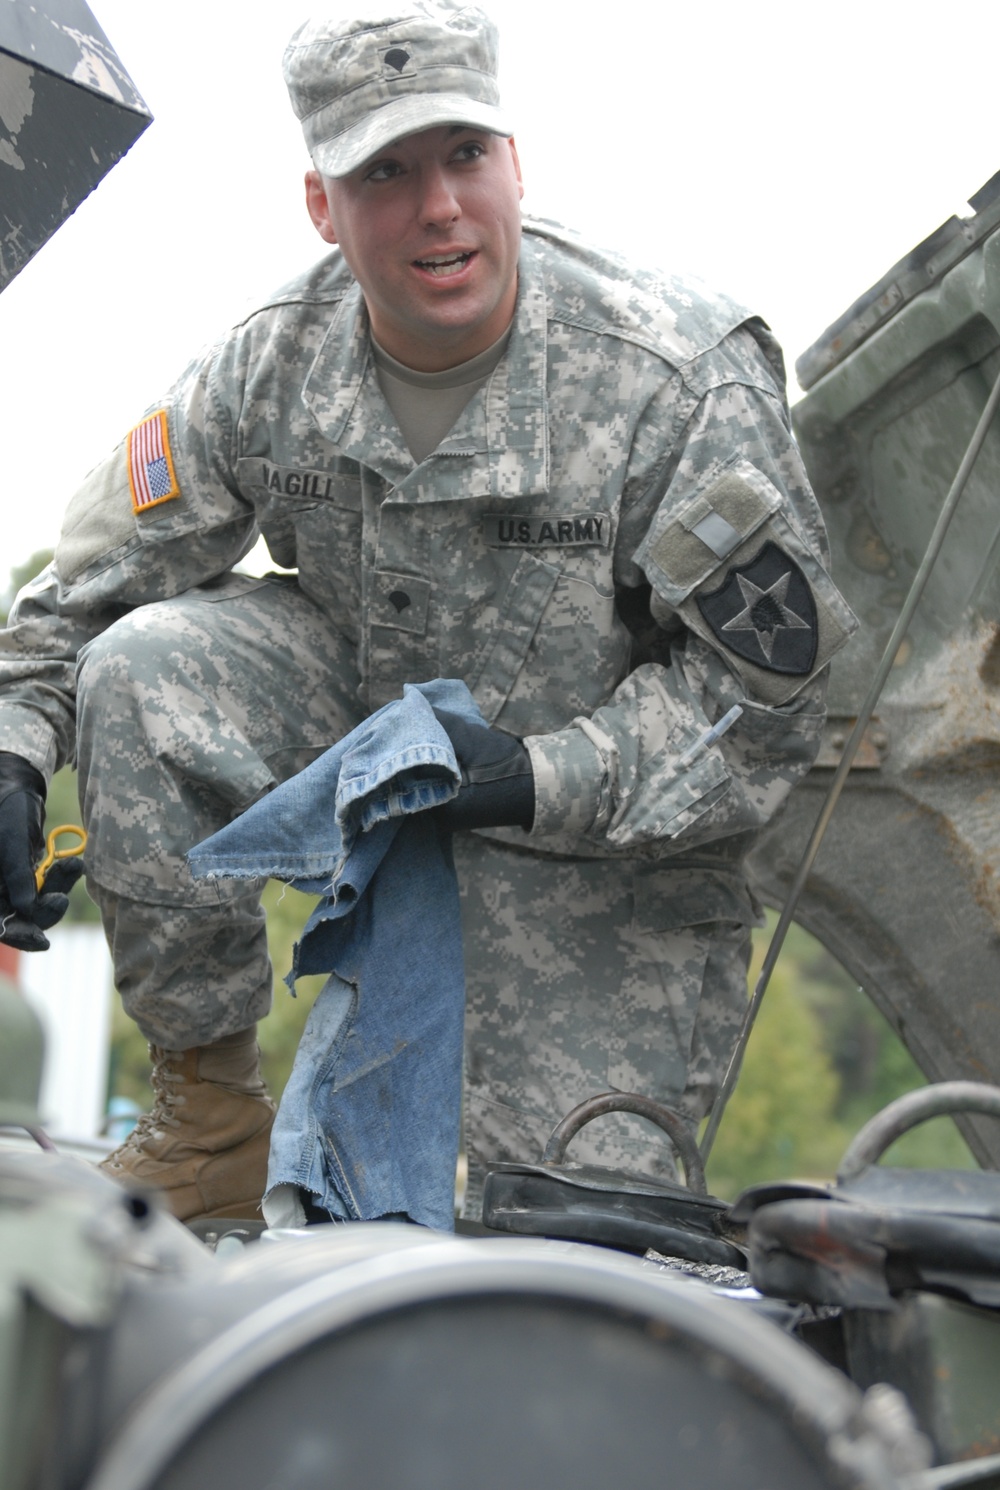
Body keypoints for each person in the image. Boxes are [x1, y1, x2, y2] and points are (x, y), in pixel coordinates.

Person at [0, 0, 855, 1223]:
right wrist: (15, 747)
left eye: (463, 155)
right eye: (385, 172)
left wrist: (536, 775)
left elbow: (762, 711)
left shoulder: (672, 375)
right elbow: (77, 596)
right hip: (362, 746)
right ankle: (210, 1110)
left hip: (597, 852)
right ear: (322, 208)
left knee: (542, 1245)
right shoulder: (268, 366)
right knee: (141, 665)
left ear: (515, 164)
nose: (437, 207)